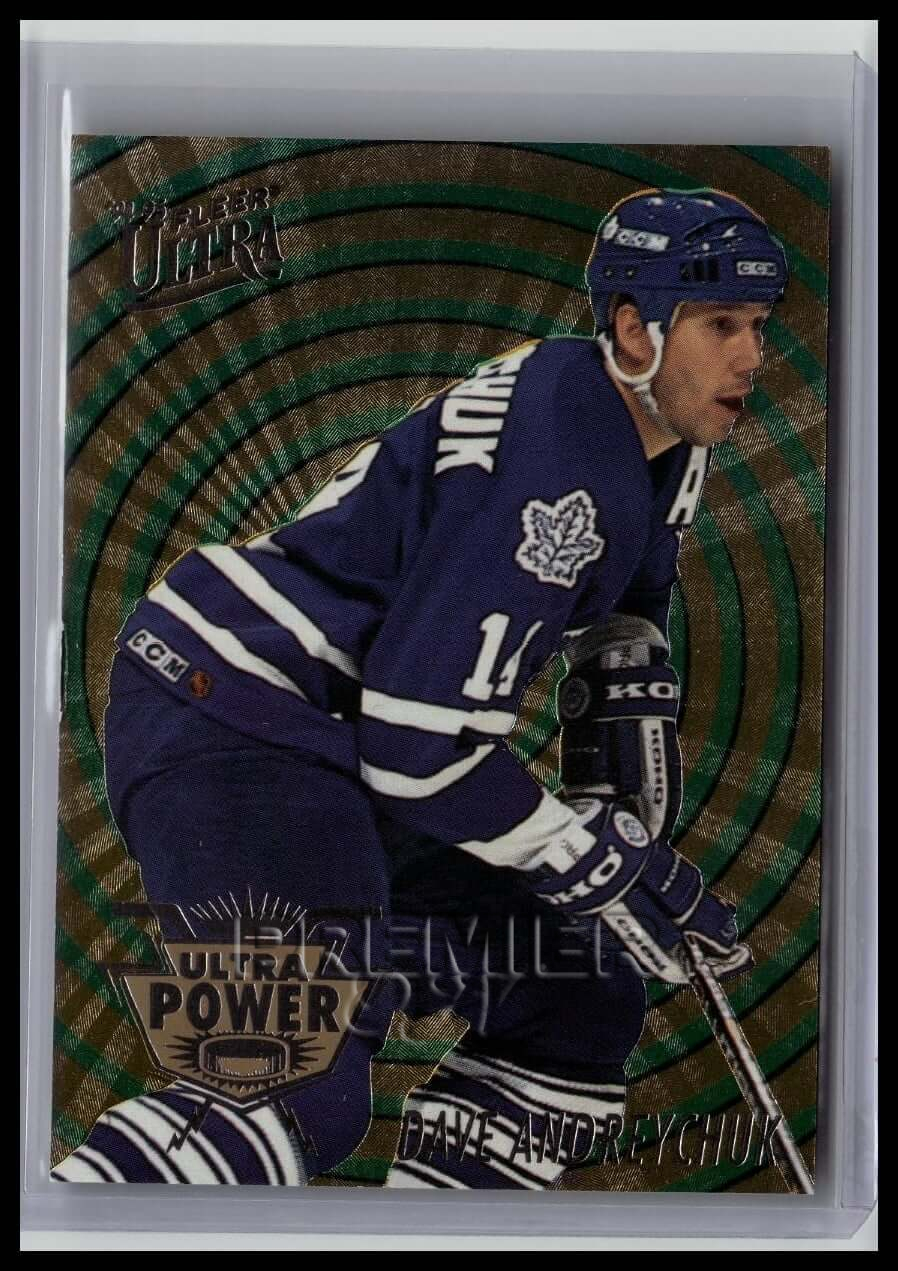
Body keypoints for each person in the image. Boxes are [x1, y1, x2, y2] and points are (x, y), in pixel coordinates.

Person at [52, 188, 788, 1188]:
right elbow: (415, 746)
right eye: (720, 324)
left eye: (757, 324)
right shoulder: (557, 474)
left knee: (576, 1001)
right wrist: (581, 852)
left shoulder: (651, 434)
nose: (752, 355)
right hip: (237, 710)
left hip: (328, 731)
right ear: (633, 329)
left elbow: (631, 587)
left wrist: (622, 701)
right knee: (287, 1068)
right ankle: (73, 1221)